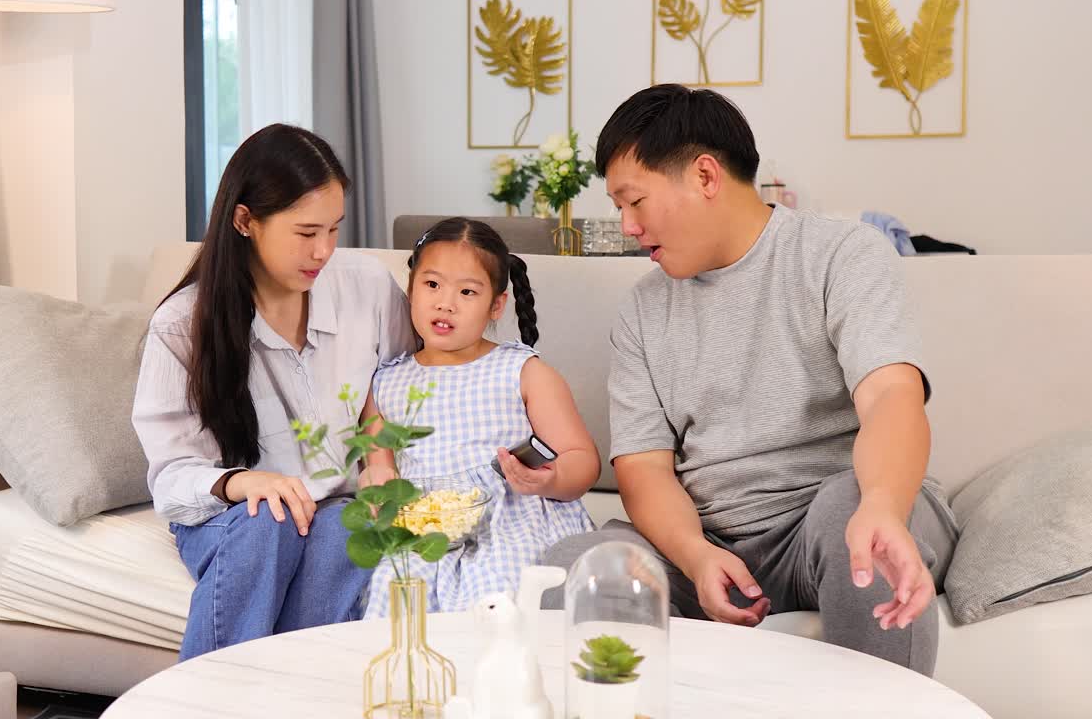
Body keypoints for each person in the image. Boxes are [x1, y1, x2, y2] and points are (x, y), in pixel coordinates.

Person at [543, 85, 959, 676]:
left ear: (705, 176)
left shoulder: (840, 254)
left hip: (837, 512)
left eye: (633, 201)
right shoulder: (642, 309)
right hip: (712, 539)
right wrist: (694, 556)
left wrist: (885, 506)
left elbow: (893, 396)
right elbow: (643, 468)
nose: (627, 227)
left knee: (854, 522)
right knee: (575, 565)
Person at [131, 124, 416, 660]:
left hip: (336, 504)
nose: (324, 250)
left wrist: (381, 460)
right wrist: (245, 483)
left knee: (342, 533)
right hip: (235, 518)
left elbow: (406, 382)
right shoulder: (180, 326)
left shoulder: (368, 287)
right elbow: (170, 479)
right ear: (245, 221)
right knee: (270, 523)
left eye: (334, 229)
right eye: (306, 232)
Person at [359, 217, 599, 616]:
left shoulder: (523, 371)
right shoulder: (385, 382)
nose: (445, 303)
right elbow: (378, 465)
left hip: (510, 521)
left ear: (496, 305)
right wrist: (378, 487)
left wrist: (549, 478)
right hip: (426, 527)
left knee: (499, 595)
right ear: (411, 287)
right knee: (392, 590)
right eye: (431, 285)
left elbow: (581, 459)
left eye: (467, 291)